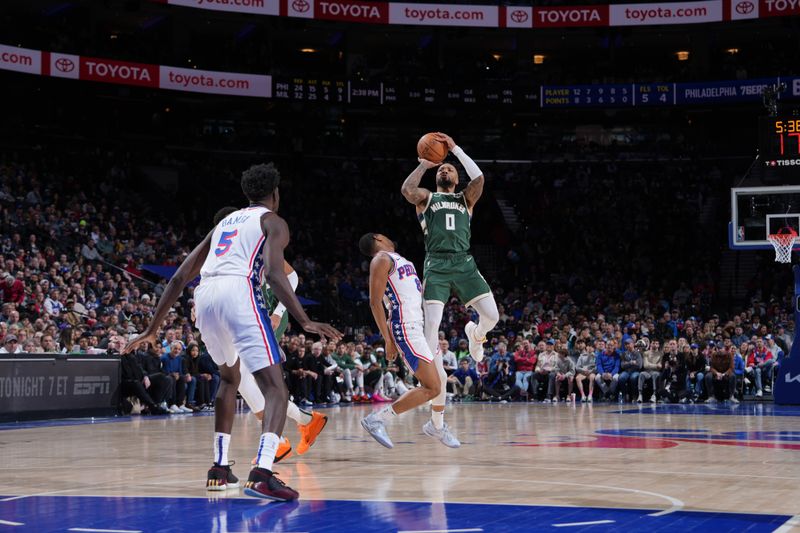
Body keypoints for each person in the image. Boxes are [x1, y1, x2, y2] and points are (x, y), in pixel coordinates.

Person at [124, 163, 340, 501]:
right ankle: (263, 474)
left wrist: (152, 329)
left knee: (229, 379)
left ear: (246, 194)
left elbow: (180, 276)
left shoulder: (224, 223)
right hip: (238, 292)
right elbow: (273, 273)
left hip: (205, 296)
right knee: (276, 390)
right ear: (276, 194)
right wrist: (304, 319)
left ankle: (220, 469)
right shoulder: (272, 221)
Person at [210, 206, 328, 463]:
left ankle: (284, 437)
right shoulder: (220, 253)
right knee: (239, 377)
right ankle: (304, 422)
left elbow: (292, 277)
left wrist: (279, 311)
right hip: (242, 311)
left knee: (242, 375)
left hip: (268, 311)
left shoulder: (255, 242)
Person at [401, 132, 499, 385]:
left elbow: (478, 177)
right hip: (436, 264)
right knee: (431, 325)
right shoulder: (426, 198)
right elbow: (407, 189)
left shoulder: (465, 198)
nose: (445, 171)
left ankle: (476, 334)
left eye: (450, 169)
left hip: (463, 263)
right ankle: (430, 377)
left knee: (492, 317)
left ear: (457, 178)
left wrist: (455, 150)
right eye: (441, 169)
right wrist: (424, 163)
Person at [359, 232, 460, 449]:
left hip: (419, 326)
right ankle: (377, 419)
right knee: (432, 387)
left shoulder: (400, 260)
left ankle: (437, 425)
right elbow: (376, 303)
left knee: (439, 380)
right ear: (378, 238)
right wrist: (387, 339)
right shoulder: (381, 259)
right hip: (406, 328)